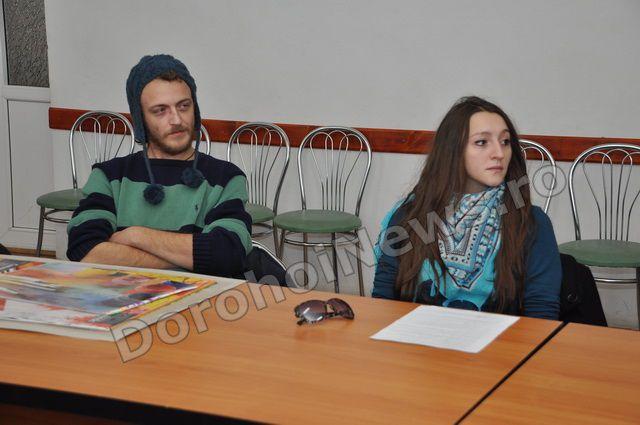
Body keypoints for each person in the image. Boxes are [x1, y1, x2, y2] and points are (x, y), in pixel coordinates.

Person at [372, 96, 561, 319]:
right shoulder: (410, 216)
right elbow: (383, 301)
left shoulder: (531, 222)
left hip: (505, 342)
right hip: (415, 339)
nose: (499, 153)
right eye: (482, 142)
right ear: (452, 151)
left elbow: (541, 316)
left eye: (505, 141)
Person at [67, 54, 252, 277]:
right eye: (160, 110)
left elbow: (227, 254)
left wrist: (136, 235)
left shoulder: (226, 178)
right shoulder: (109, 176)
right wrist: (191, 259)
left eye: (184, 106)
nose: (177, 120)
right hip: (121, 296)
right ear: (140, 119)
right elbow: (86, 251)